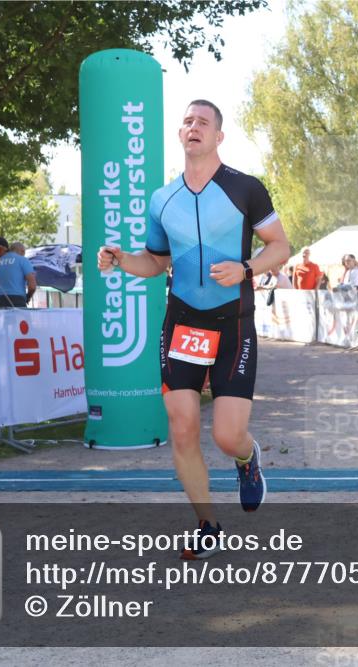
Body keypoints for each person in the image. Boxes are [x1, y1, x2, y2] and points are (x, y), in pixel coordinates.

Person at [96, 99, 290, 559]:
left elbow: (279, 247)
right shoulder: (163, 199)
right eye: (187, 121)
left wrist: (246, 268)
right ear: (180, 136)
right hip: (182, 322)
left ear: (218, 136)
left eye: (203, 122)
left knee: (226, 435)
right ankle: (207, 523)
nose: (193, 127)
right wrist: (123, 260)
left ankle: (247, 458)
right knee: (182, 427)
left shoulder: (246, 189)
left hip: (233, 324)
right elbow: (157, 263)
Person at [0, 242, 37, 308]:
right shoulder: (22, 260)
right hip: (16, 299)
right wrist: (28, 297)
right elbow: (32, 286)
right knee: (20, 318)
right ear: (22, 251)